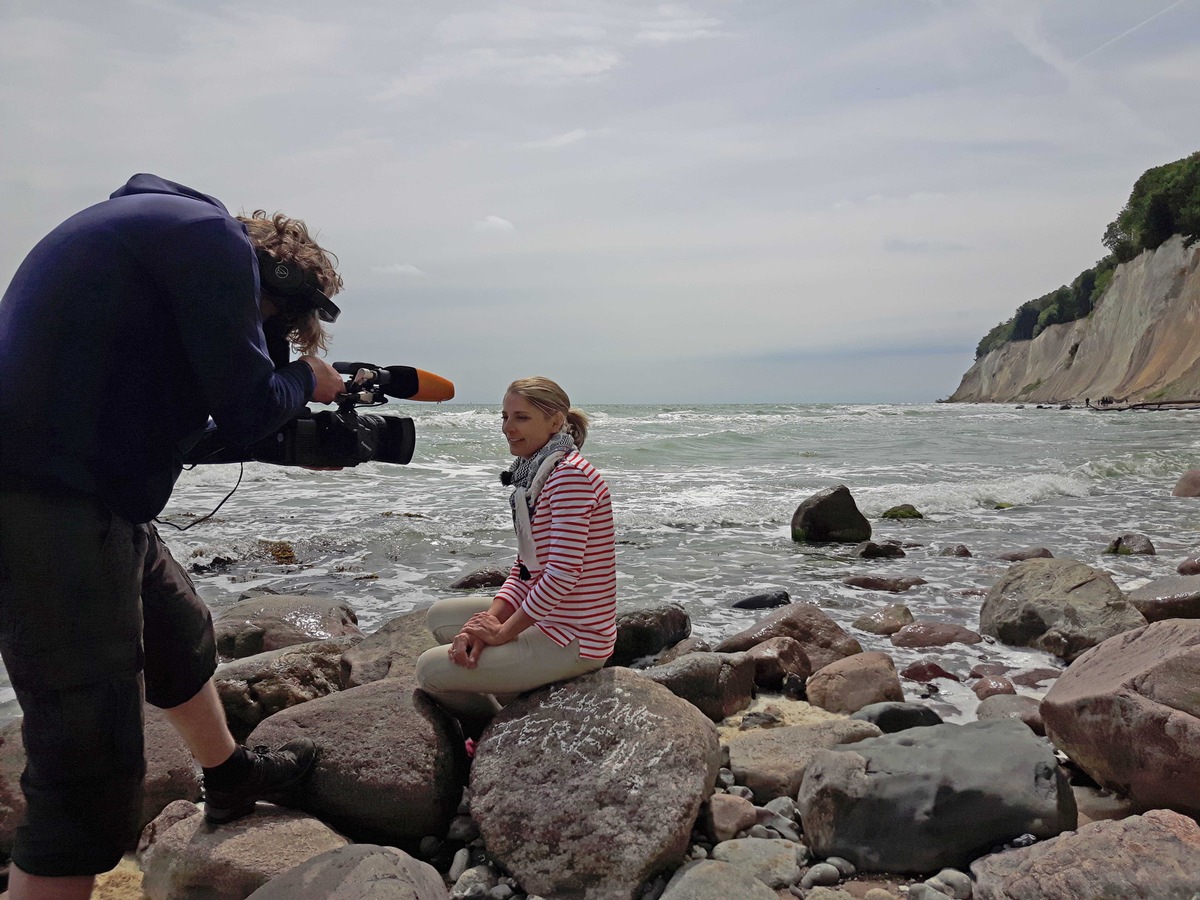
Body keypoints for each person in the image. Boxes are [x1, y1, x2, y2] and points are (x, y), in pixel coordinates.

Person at [0, 174, 347, 899]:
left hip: (81, 491)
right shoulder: (209, 241)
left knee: (180, 631)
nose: (267, 342)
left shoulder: (151, 262)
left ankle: (228, 777)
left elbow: (190, 435)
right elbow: (253, 406)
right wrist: (307, 379)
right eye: (277, 330)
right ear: (275, 281)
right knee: (86, 760)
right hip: (42, 506)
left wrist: (300, 432)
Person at [415, 377, 617, 739]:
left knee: (429, 671)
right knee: (441, 617)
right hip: (548, 617)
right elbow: (525, 568)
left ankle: (494, 733)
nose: (508, 428)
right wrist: (486, 623)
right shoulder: (537, 476)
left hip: (574, 637)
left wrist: (503, 632)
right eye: (505, 416)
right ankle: (505, 706)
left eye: (521, 417)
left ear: (555, 422)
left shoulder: (570, 476)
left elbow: (560, 576)